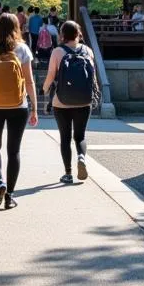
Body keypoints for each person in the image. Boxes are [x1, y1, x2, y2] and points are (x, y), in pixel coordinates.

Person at [0, 12, 37, 209]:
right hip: (18, 105)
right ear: (16, 27)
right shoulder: (23, 49)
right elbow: (29, 81)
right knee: (14, 151)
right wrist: (35, 107)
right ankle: (9, 196)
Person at [43, 20, 98, 184]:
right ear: (78, 33)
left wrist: (44, 89)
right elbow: (93, 76)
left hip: (62, 101)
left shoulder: (58, 52)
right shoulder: (87, 50)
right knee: (80, 136)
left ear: (62, 34)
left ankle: (68, 173)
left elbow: (51, 76)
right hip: (84, 100)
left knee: (65, 137)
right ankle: (81, 156)